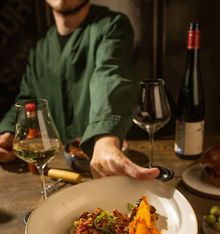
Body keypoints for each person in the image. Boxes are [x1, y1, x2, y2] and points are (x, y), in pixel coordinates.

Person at [0, 0, 159, 179]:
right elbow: (28, 99)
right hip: (57, 171)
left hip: (103, 170)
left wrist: (105, 140)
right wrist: (8, 132)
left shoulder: (112, 26)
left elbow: (111, 73)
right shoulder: (39, 47)